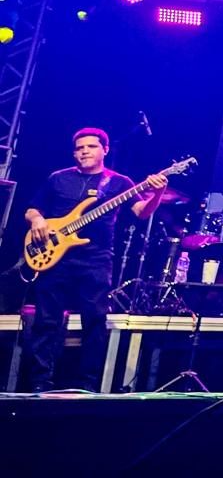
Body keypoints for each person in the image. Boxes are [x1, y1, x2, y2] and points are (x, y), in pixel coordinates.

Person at [21, 127, 169, 392]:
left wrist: (157, 193)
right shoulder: (58, 178)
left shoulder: (119, 182)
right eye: (79, 148)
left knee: (95, 320)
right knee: (47, 321)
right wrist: (37, 220)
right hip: (55, 258)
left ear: (105, 150)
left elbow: (141, 212)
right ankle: (40, 383)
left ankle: (86, 383)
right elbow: (32, 209)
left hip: (96, 259)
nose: (84, 151)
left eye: (91, 146)